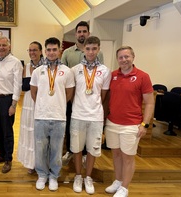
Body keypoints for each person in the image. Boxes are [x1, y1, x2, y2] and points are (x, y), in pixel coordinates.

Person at [104, 46, 154, 197]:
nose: (124, 60)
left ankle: (125, 188)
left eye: (127, 57)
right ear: (117, 59)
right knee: (116, 155)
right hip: (112, 123)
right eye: (121, 57)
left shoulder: (142, 76)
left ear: (133, 57)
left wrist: (144, 124)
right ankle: (118, 181)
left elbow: (150, 102)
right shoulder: (113, 75)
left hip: (131, 125)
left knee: (128, 157)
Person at [30, 37, 75, 191]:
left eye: (54, 49)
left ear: (59, 51)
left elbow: (69, 94)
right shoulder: (38, 71)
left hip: (59, 117)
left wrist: (58, 104)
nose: (51, 52)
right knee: (40, 148)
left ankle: (54, 176)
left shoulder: (67, 71)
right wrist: (44, 104)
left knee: (56, 150)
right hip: (41, 116)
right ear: (45, 51)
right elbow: (33, 93)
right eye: (48, 49)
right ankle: (42, 175)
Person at [70, 36, 111, 194]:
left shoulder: (105, 71)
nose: (91, 52)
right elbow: (72, 93)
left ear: (99, 49)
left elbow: (103, 95)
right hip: (78, 115)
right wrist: (80, 104)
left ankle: (88, 177)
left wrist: (93, 106)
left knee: (93, 150)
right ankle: (78, 176)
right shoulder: (75, 70)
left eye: (94, 48)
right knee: (77, 149)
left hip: (95, 117)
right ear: (83, 50)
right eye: (88, 49)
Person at [61, 21, 104, 166]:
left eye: (84, 31)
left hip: (90, 98)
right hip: (72, 96)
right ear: (75, 34)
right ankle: (70, 151)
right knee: (70, 125)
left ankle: (85, 153)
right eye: (79, 32)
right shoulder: (67, 53)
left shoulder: (99, 53)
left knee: (88, 128)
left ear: (88, 33)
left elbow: (101, 73)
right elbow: (63, 75)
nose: (81, 34)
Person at [0, 36, 23, 173]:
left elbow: (18, 85)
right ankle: (2, 155)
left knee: (7, 131)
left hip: (6, 100)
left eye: (4, 45)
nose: (1, 48)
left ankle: (8, 159)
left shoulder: (15, 63)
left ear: (9, 46)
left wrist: (13, 105)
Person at [17, 41, 44, 174]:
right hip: (28, 102)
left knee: (40, 133)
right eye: (30, 50)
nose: (32, 52)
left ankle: (41, 163)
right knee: (29, 132)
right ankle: (30, 162)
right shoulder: (26, 67)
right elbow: (23, 86)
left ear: (40, 51)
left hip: (43, 102)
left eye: (35, 50)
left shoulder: (46, 66)